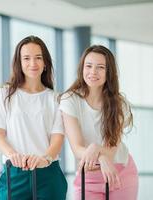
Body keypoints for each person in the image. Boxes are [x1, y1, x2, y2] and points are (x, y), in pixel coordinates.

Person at [0, 35, 67, 200]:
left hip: (48, 173)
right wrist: (12, 154)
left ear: (45, 63)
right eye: (27, 58)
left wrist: (46, 158)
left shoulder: (56, 98)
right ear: (19, 63)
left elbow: (57, 138)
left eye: (38, 58)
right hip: (14, 173)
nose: (33, 63)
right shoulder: (3, 94)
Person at [59, 45, 138, 199]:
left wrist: (97, 151)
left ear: (109, 73)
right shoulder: (69, 100)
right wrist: (100, 156)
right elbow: (77, 149)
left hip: (120, 171)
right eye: (88, 66)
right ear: (82, 68)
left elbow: (112, 150)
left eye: (100, 67)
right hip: (88, 175)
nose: (93, 72)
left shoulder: (119, 104)